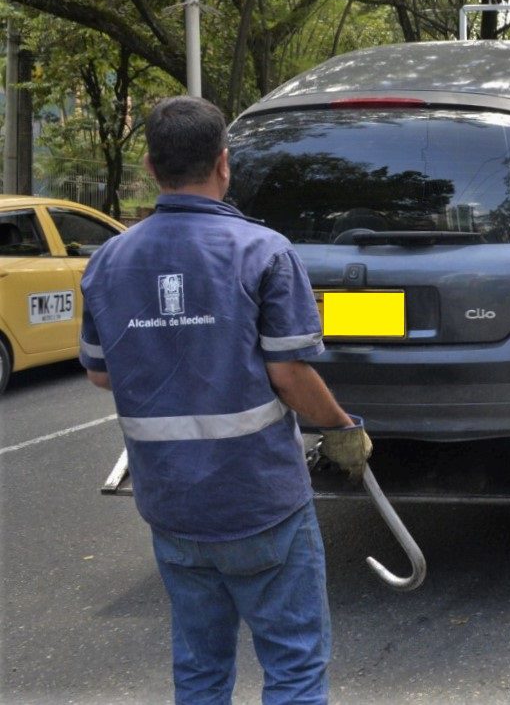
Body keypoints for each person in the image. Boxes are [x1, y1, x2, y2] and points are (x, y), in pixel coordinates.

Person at [78, 96, 373, 704]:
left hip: (172, 510)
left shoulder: (108, 262)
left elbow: (102, 376)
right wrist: (342, 430)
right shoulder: (263, 252)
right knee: (293, 667)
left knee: (201, 670)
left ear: (152, 167)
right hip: (259, 502)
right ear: (224, 163)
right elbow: (288, 375)